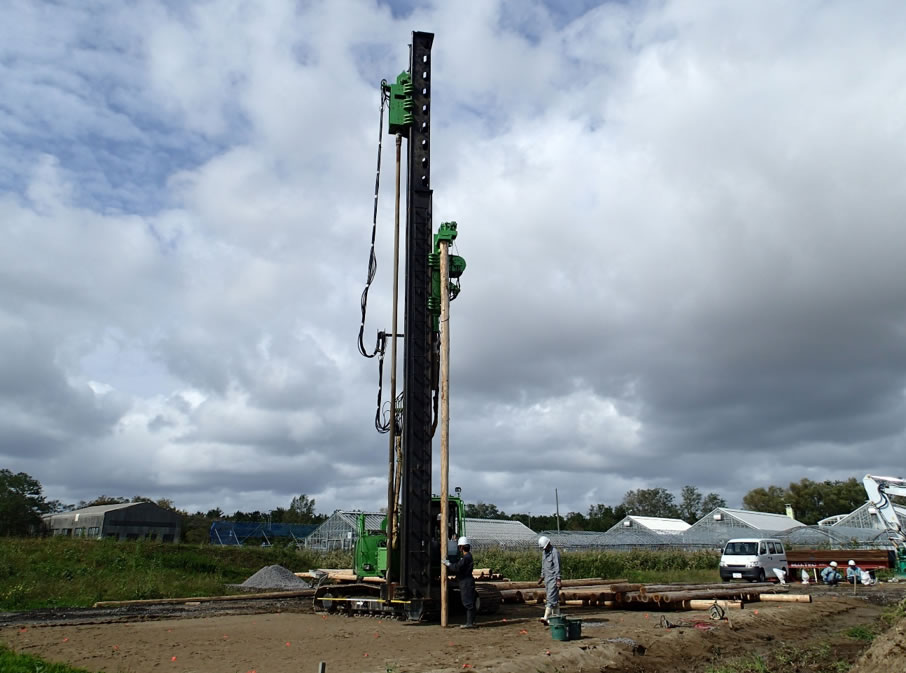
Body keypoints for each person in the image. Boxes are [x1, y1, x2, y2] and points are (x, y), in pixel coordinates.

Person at [443, 536, 476, 628]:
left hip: (466, 582)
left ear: (461, 547)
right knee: (469, 602)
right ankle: (471, 622)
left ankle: (470, 623)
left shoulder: (466, 558)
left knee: (467, 602)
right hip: (466, 581)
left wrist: (448, 564)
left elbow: (457, 567)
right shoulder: (467, 557)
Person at [537, 536, 562, 624]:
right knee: (553, 599)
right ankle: (556, 617)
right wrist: (542, 577)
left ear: (548, 544)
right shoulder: (544, 553)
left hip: (553, 579)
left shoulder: (555, 552)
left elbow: (557, 566)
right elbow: (543, 565)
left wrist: (558, 579)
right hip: (547, 579)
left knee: (551, 598)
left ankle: (546, 617)